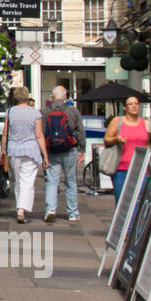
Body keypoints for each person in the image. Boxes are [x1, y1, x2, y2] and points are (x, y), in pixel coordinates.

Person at [1, 86, 49, 224]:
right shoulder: (35, 113)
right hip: (31, 151)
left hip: (14, 150)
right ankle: (22, 209)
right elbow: (39, 136)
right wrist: (45, 156)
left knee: (17, 180)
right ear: (27, 97)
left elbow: (5, 134)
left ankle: (19, 208)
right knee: (27, 181)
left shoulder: (10, 112)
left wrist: (2, 152)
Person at [43, 85, 85, 223]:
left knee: (52, 180)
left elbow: (42, 132)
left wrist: (43, 154)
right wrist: (82, 149)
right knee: (71, 181)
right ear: (65, 95)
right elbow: (80, 130)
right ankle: (72, 213)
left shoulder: (46, 111)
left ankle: (50, 209)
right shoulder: (72, 110)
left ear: (53, 96)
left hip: (52, 150)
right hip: (70, 149)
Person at [104, 93, 150, 202]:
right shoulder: (117, 121)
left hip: (141, 169)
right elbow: (107, 140)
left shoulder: (146, 123)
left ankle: (135, 219)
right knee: (122, 202)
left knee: (139, 201)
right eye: (130, 104)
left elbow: (147, 144)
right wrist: (117, 139)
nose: (134, 106)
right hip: (121, 168)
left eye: (136, 103)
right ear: (124, 107)